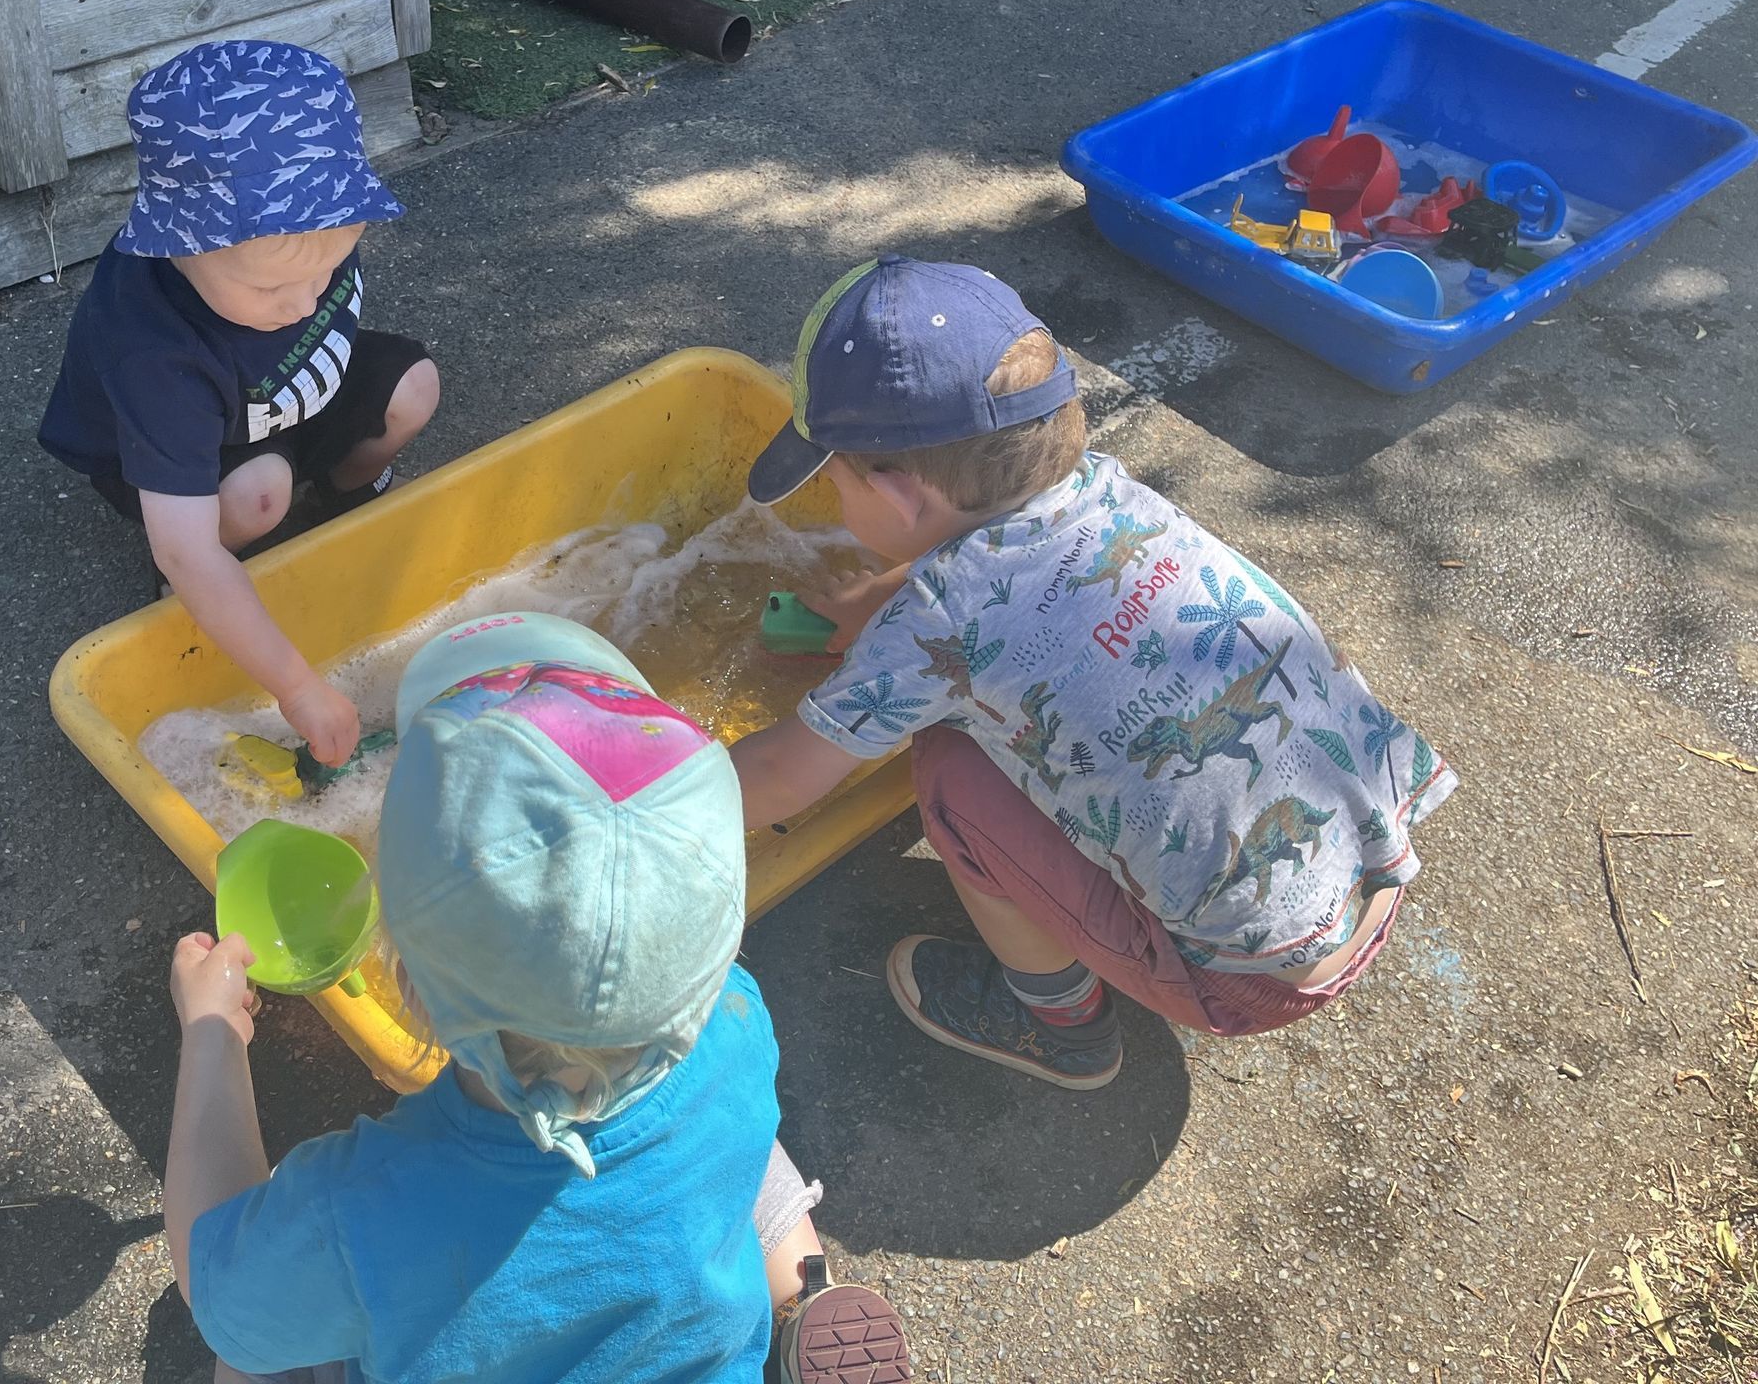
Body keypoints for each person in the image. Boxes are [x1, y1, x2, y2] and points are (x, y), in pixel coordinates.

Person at [730, 257, 1458, 1088]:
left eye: (834, 485)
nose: (832, 505)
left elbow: (781, 778)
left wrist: (626, 793)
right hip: (1372, 867)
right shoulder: (1110, 495)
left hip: (1247, 982)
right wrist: (876, 604)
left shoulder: (939, 622)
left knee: (948, 773)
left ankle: (1060, 1024)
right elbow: (998, 555)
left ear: (896, 495)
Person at [162, 613, 911, 1383]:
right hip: (694, 1337)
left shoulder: (360, 1211)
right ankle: (799, 1285)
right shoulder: (738, 1019)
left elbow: (206, 1279)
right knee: (738, 1139)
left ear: (410, 993)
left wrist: (213, 1031)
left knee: (248, 1343)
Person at [40, 40, 440, 768]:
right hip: (198, 448)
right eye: (267, 290)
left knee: (414, 385)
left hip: (286, 394)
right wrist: (297, 689)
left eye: (330, 266)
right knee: (258, 498)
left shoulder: (301, 235)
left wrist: (301, 277)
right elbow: (183, 544)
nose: (302, 302)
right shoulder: (154, 351)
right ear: (176, 246)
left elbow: (303, 277)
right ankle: (207, 595)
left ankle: (349, 493)